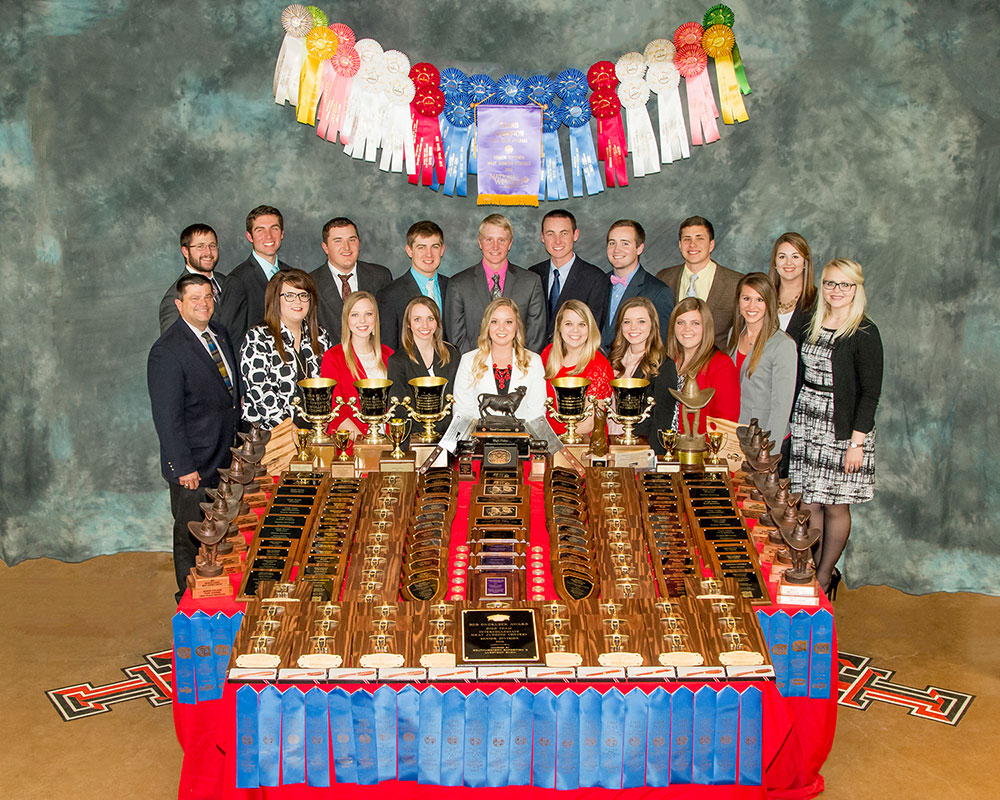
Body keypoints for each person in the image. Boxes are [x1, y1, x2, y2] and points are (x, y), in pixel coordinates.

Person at [790, 259, 883, 596]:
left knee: (835, 505)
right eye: (830, 283)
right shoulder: (811, 323)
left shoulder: (864, 331)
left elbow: (871, 392)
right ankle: (810, 568)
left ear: (856, 288)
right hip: (808, 417)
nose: (836, 290)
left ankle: (826, 576)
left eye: (845, 284)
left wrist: (856, 443)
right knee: (808, 502)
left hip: (844, 427)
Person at [147, 274, 240, 603]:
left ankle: (216, 594)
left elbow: (231, 397)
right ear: (179, 304)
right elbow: (167, 417)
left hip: (223, 455)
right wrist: (183, 466)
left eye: (207, 297)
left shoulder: (220, 334)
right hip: (194, 465)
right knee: (190, 534)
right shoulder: (167, 351)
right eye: (194, 298)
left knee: (219, 532)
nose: (203, 304)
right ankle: (187, 599)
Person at [239, 269, 331, 430]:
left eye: (303, 295)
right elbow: (259, 391)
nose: (298, 302)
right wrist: (288, 428)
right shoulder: (258, 337)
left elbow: (328, 382)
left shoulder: (320, 335)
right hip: (271, 433)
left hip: (314, 429)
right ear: (276, 299)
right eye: (289, 296)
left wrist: (325, 418)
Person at [444, 214, 547, 354]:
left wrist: (519, 367)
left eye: (502, 240)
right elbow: (456, 337)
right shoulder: (459, 284)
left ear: (510, 243)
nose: (495, 246)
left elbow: (535, 337)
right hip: (475, 369)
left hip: (519, 369)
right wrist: (476, 366)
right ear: (480, 242)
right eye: (489, 239)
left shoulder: (531, 282)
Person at [727, 273, 797, 453]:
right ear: (738, 302)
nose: (752, 306)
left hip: (767, 440)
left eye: (759, 299)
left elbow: (782, 406)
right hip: (738, 435)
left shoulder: (783, 345)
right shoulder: (734, 335)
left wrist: (769, 452)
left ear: (769, 304)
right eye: (746, 298)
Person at [452, 297, 547, 422]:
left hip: (522, 437)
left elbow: (536, 413)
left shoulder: (534, 361)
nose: (501, 328)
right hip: (479, 438)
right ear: (487, 325)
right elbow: (462, 411)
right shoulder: (468, 361)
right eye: (494, 322)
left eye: (508, 322)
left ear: (516, 326)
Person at [657, 216, 742, 350]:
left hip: (715, 366)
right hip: (671, 365)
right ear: (680, 245)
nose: (692, 245)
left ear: (711, 245)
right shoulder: (664, 278)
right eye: (687, 239)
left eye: (699, 238)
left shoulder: (736, 283)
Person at [606, 296, 678, 453]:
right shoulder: (611, 359)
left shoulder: (664, 366)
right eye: (627, 322)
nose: (633, 327)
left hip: (640, 451)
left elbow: (661, 423)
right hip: (609, 445)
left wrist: (647, 460)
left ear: (653, 325)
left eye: (641, 321)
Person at [319, 291, 394, 436]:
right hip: (353, 446)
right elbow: (336, 411)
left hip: (390, 443)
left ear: (376, 318)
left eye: (368, 314)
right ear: (346, 319)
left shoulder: (389, 354)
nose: (362, 321)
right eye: (355, 315)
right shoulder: (334, 357)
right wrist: (366, 445)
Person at [219, 205, 294, 347]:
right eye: (260, 230)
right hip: (256, 365)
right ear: (249, 236)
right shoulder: (237, 280)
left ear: (282, 233)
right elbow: (232, 338)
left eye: (274, 228)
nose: (269, 236)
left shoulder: (292, 275)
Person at [386, 297, 460, 439]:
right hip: (415, 441)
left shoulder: (453, 354)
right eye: (417, 319)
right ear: (408, 323)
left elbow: (459, 400)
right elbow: (400, 411)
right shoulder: (397, 361)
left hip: (450, 439)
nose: (425, 325)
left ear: (437, 322)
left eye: (430, 318)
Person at [528, 209, 610, 338]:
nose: (557, 241)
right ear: (542, 237)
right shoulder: (533, 274)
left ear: (575, 235)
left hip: (575, 356)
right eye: (550, 234)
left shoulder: (595, 278)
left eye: (564, 233)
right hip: (537, 355)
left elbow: (593, 330)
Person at [665, 297, 740, 433]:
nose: (687, 329)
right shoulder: (668, 361)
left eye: (695, 323)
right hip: (666, 448)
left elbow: (726, 421)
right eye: (680, 322)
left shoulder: (721, 365)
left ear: (706, 327)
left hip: (700, 450)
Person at [311, 217, 392, 341]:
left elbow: (389, 328)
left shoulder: (381, 276)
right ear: (325, 247)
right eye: (338, 241)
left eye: (352, 240)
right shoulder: (310, 283)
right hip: (328, 358)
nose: (347, 247)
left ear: (359, 243)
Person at [540, 300, 613, 436]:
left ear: (590, 328)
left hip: (582, 445)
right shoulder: (547, 354)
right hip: (547, 440)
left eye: (582, 324)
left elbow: (589, 423)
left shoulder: (599, 365)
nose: (575, 330)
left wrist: (554, 443)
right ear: (559, 327)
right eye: (568, 324)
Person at [600, 219, 675, 349]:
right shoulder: (597, 283)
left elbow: (661, 346)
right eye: (612, 243)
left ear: (639, 248)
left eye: (625, 243)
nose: (617, 250)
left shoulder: (659, 292)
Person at [377, 220, 450, 351]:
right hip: (410, 370)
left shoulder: (452, 287)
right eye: (421, 247)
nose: (429, 254)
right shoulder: (390, 295)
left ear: (442, 250)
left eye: (434, 247)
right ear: (409, 251)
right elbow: (388, 349)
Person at [158, 223, 227, 334]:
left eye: (212, 245)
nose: (208, 252)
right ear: (185, 251)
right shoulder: (174, 298)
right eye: (200, 246)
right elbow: (174, 344)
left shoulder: (224, 281)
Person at [768, 232, 817, 343]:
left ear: (805, 262)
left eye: (795, 256)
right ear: (775, 262)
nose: (788, 263)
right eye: (782, 256)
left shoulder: (818, 301)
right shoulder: (763, 296)